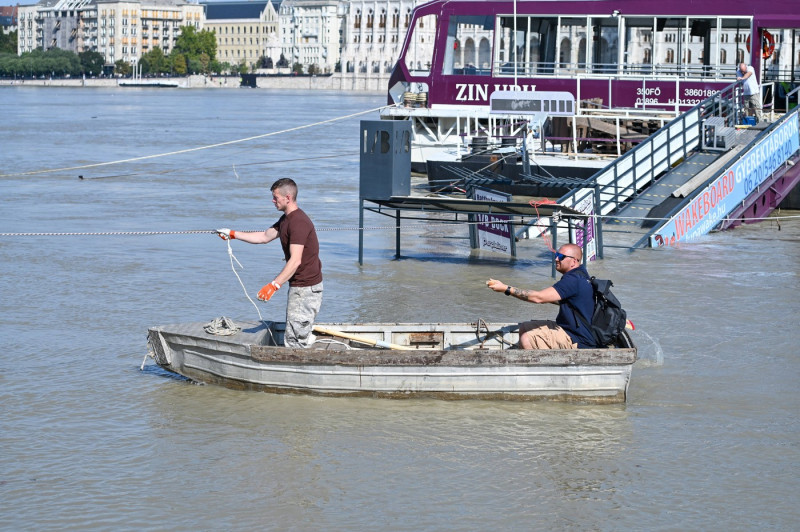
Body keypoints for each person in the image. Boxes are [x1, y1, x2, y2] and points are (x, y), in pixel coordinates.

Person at [216, 178, 323, 348]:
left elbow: (295, 261)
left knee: (295, 340)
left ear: (288, 197)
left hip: (306, 289)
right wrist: (233, 234)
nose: (273, 201)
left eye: (276, 197)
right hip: (299, 286)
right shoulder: (286, 219)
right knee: (294, 333)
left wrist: (274, 285)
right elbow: (264, 237)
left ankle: (299, 367)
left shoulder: (298, 222)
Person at [486, 243, 596, 349]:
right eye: (557, 255)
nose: (556, 259)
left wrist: (506, 289)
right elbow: (570, 302)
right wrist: (543, 297)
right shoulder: (582, 275)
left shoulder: (573, 280)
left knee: (527, 337)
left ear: (573, 261)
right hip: (575, 332)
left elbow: (538, 298)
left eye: (561, 257)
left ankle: (536, 366)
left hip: (577, 338)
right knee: (526, 327)